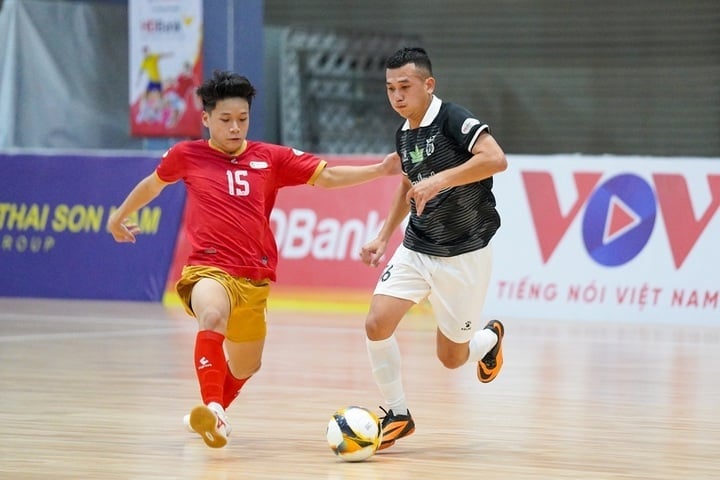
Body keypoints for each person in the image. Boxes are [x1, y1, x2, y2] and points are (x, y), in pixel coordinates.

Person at [108, 70, 400, 449]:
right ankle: (213, 405)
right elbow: (153, 183)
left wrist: (379, 170)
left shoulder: (270, 157)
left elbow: (326, 177)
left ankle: (215, 416)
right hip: (208, 268)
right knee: (211, 316)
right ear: (207, 119)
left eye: (242, 119)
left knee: (246, 365)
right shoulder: (187, 155)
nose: (235, 128)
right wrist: (119, 215)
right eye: (226, 120)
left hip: (254, 276)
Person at [359, 47, 508, 451]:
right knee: (376, 323)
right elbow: (409, 182)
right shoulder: (404, 132)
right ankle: (397, 414)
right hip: (418, 247)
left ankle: (488, 340)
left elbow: (496, 159)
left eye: (405, 86)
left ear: (428, 85)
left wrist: (440, 180)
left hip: (464, 253)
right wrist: (383, 235)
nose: (397, 96)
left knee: (452, 359)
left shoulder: (453, 119)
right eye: (390, 88)